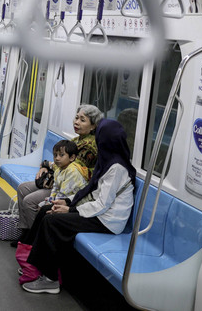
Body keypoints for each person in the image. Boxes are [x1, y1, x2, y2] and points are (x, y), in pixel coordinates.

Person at [22, 119, 136, 294]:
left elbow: (102, 204)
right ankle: (32, 264)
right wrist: (67, 201)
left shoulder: (116, 168)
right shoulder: (108, 160)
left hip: (108, 221)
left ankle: (50, 279)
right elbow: (92, 191)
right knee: (47, 210)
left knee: (52, 221)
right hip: (99, 212)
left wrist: (72, 209)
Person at [14, 105, 102, 244]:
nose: (77, 122)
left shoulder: (89, 146)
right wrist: (47, 167)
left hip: (70, 188)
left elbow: (69, 167)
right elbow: (61, 163)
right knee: (22, 188)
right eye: (76, 117)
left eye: (82, 120)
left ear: (93, 126)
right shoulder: (76, 140)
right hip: (59, 180)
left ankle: (33, 240)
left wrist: (46, 165)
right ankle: (25, 231)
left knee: (29, 201)